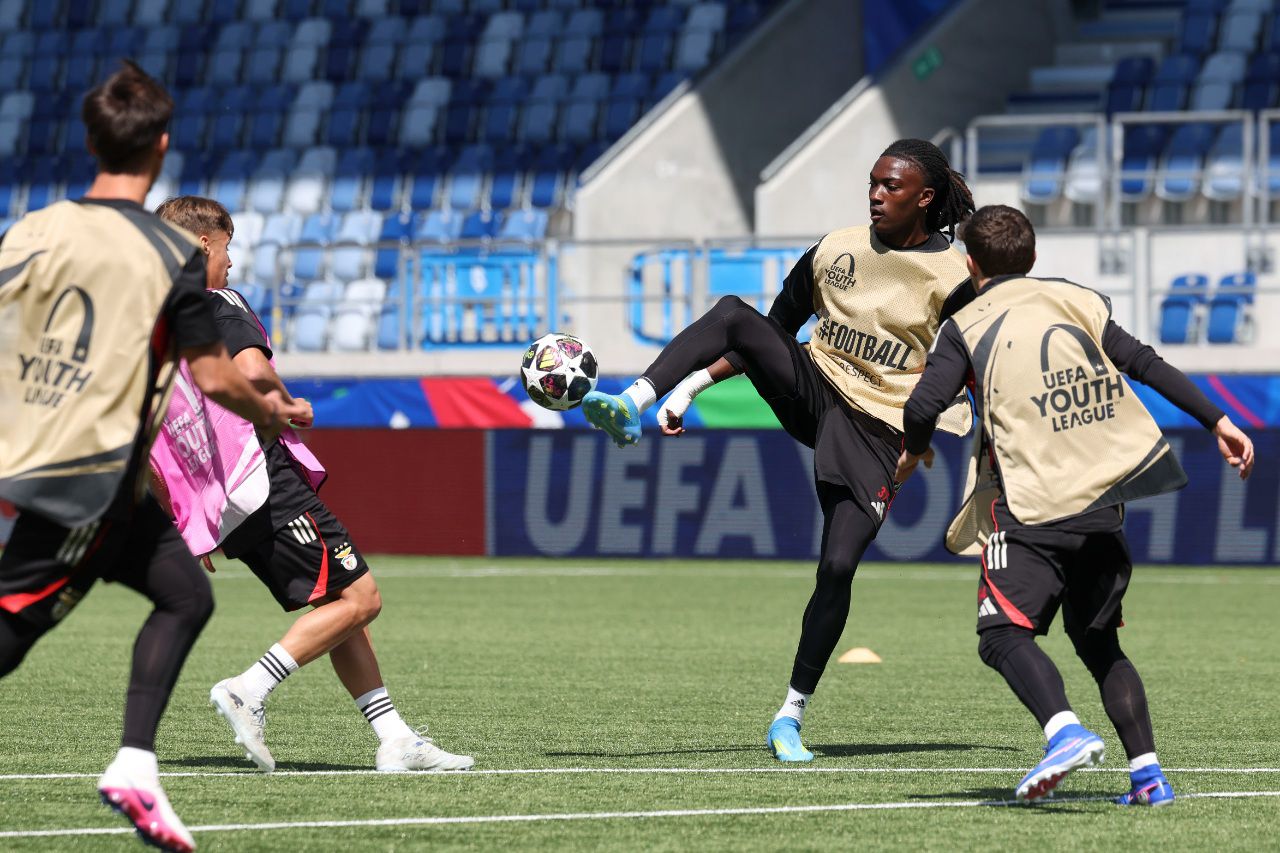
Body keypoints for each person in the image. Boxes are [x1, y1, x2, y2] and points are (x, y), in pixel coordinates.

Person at [583, 139, 978, 762]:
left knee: (839, 567)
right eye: (871, 182)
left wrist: (948, 446)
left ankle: (789, 716)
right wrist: (687, 388)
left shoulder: (956, 280)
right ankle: (631, 399)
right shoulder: (834, 249)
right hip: (816, 391)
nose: (876, 195)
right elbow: (767, 336)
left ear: (925, 199)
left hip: (880, 430)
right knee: (735, 312)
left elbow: (975, 371)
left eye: (891, 187)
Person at [0, 62, 305, 853]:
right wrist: (274, 407)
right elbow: (210, 374)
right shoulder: (168, 250)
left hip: (78, 466)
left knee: (184, 595)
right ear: (161, 147)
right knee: (9, 630)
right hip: (85, 475)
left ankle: (136, 766)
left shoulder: (29, 229)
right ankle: (134, 765)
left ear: (92, 139)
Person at [895, 204, 1255, 804]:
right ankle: (1148, 777)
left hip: (1031, 507)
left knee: (1001, 636)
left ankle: (1062, 732)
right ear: (1033, 260)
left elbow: (921, 405)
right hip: (1102, 503)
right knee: (1097, 643)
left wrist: (914, 452)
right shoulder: (1076, 300)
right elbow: (1144, 362)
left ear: (971, 263)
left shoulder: (967, 323)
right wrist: (1218, 419)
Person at [149, 196, 473, 774]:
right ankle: (248, 688)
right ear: (204, 245)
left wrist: (182, 522)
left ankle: (395, 738)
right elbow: (250, 370)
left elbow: (145, 442)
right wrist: (283, 401)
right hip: (261, 477)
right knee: (363, 598)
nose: (232, 264)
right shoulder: (214, 299)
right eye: (228, 249)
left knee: (337, 604)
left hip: (218, 501)